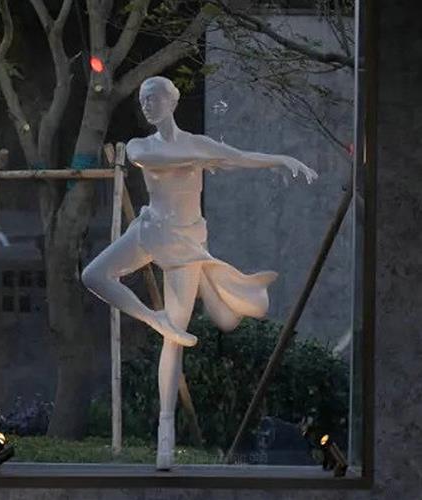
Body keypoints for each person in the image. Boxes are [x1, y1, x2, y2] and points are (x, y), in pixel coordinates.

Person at [81, 76, 318, 470]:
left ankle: (166, 431)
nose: (147, 105)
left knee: (174, 340)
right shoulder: (142, 146)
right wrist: (200, 158)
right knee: (94, 275)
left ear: (172, 102)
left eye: (154, 98)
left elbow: (240, 157)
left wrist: (281, 159)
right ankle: (153, 318)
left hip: (185, 245)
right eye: (143, 99)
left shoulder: (198, 144)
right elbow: (155, 161)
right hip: (150, 230)